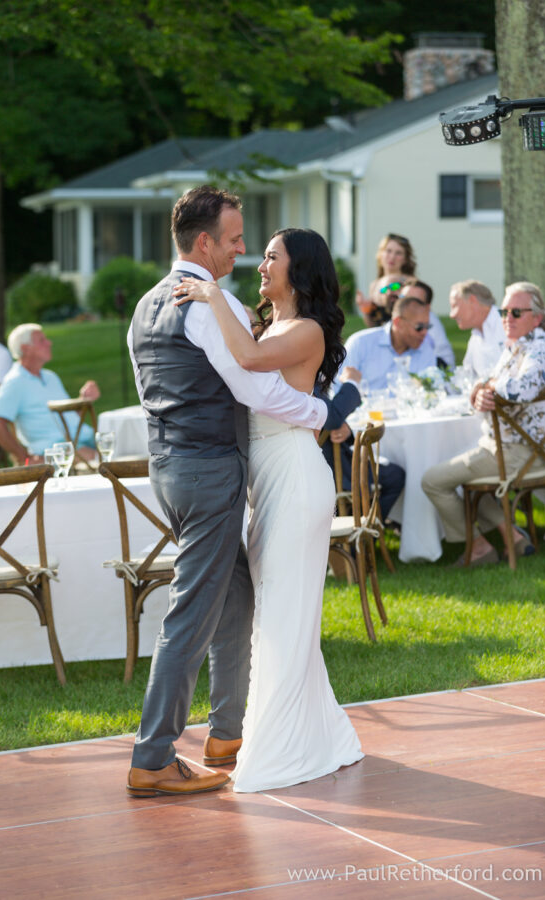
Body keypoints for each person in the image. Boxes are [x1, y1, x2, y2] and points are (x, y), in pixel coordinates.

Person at [127, 188, 329, 798]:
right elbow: (254, 390)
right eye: (236, 239)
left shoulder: (145, 304)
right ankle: (153, 755)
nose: (243, 249)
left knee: (234, 592)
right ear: (205, 242)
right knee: (193, 610)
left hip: (171, 467)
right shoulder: (203, 306)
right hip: (210, 470)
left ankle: (225, 733)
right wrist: (323, 410)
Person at [174, 226, 363, 793]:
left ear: (297, 268)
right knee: (280, 614)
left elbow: (249, 359)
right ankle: (323, 735)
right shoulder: (271, 324)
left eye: (272, 257)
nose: (260, 264)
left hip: (296, 478)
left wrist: (210, 295)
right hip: (266, 482)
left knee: (283, 614)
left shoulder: (305, 331)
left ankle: (278, 752)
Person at [422, 282, 545, 567]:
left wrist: (491, 387)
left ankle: (480, 548)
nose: (507, 318)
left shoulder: (540, 349)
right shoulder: (517, 347)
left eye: (516, 312)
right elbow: (485, 379)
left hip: (520, 453)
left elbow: (521, 389)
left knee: (432, 481)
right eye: (505, 311)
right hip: (504, 448)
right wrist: (484, 386)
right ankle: (510, 535)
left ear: (537, 317)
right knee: (459, 482)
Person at [0, 324, 99, 465]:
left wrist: (83, 400)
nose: (49, 343)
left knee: (124, 445)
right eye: (41, 340)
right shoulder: (15, 382)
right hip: (56, 450)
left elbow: (67, 417)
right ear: (25, 349)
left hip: (85, 439)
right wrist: (25, 459)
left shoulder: (50, 376)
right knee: (107, 460)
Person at [319, 372, 405, 524]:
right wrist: (351, 382)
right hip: (327, 467)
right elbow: (331, 417)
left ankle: (360, 532)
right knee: (395, 477)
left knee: (394, 474)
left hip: (327, 457)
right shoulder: (299, 369)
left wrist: (344, 426)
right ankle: (360, 540)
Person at [337, 295, 436, 394]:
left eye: (427, 326)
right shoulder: (361, 343)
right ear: (398, 323)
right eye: (419, 327)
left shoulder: (426, 348)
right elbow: (338, 388)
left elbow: (430, 392)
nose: (424, 332)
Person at [448, 280, 506, 381]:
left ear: (472, 300)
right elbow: (466, 376)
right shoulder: (476, 336)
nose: (452, 315)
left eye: (454, 306)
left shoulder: (508, 324)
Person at [355, 233, 416, 327]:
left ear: (405, 259)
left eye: (398, 253)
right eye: (388, 251)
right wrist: (365, 308)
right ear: (380, 254)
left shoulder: (410, 283)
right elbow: (373, 325)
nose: (392, 257)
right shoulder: (374, 285)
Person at [399, 279, 455, 369]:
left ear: (427, 306)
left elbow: (445, 362)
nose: (408, 305)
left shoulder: (430, 324)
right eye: (403, 298)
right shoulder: (396, 318)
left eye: (415, 301)